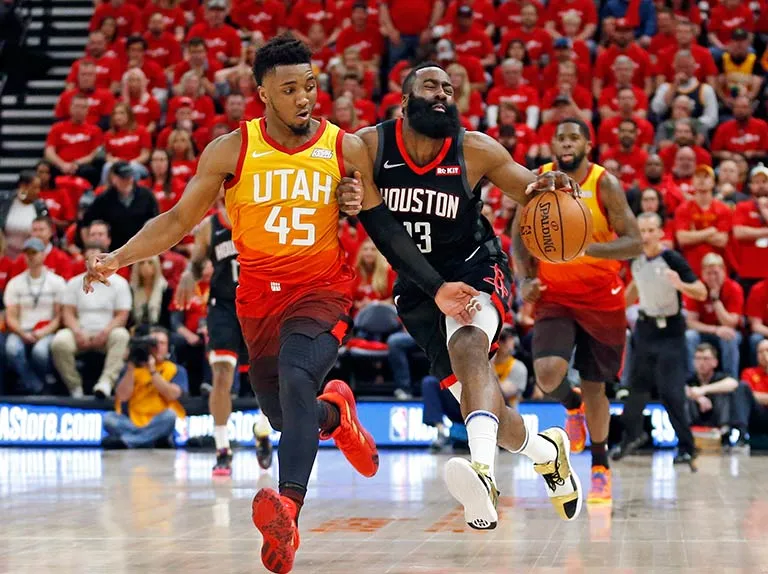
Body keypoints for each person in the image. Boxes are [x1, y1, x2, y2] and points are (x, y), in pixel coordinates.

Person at [83, 35, 482, 574]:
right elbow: (177, 222)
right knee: (281, 414)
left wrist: (390, 237)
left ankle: (287, 511)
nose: (304, 98)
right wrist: (117, 258)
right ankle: (336, 414)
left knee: (297, 378)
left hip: (320, 290)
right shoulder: (231, 149)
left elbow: (381, 222)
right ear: (262, 93)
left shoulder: (345, 147)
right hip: (256, 298)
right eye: (289, 89)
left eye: (311, 86)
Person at [339, 62, 586, 530]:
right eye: (430, 85)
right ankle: (546, 451)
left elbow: (527, 184)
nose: (442, 94)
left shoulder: (476, 149)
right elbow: (383, 228)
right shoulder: (370, 146)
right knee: (483, 401)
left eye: (449, 89)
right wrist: (343, 194)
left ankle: (483, 474)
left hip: (476, 266)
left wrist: (547, 186)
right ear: (405, 97)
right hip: (418, 285)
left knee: (469, 345)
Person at [513, 117, 642, 505]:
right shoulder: (539, 179)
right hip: (555, 295)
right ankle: (572, 407)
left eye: (574, 137)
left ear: (588, 145)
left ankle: (600, 466)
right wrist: (524, 281)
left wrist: (584, 247)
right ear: (553, 143)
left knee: (596, 386)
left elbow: (634, 242)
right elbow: (520, 238)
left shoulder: (605, 183)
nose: (566, 143)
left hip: (603, 299)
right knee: (547, 374)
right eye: (560, 137)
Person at [174, 193, 274, 475]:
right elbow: (196, 264)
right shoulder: (210, 226)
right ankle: (222, 449)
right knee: (221, 375)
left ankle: (263, 430)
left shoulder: (263, 218)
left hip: (258, 303)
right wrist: (187, 275)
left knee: (267, 377)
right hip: (223, 307)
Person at [611, 213, 704, 465]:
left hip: (670, 332)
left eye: (652, 230)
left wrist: (680, 284)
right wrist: (613, 310)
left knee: (670, 392)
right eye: (642, 230)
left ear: (661, 232)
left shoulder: (672, 259)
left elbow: (701, 291)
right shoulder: (636, 260)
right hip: (645, 329)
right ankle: (632, 436)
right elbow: (635, 288)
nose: (647, 235)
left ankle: (687, 446)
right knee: (634, 389)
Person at [51, 243, 131, 399]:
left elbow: (122, 315)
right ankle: (75, 388)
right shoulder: (74, 283)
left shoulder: (120, 283)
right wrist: (77, 331)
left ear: (106, 261)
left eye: (98, 260)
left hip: (107, 331)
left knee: (122, 335)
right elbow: (67, 312)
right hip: (81, 331)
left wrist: (105, 332)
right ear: (85, 262)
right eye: (91, 260)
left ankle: (106, 383)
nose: (95, 265)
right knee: (59, 342)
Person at [102, 326, 188, 449]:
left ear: (168, 347)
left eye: (162, 343)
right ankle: (152, 439)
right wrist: (131, 365)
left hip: (159, 420)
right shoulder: (131, 369)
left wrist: (152, 371)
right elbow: (122, 396)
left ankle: (127, 442)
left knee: (170, 416)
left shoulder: (175, 369)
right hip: (132, 422)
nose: (157, 347)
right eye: (153, 343)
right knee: (108, 419)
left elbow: (172, 394)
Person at [3, 238, 66, 394]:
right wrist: (23, 333)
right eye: (27, 253)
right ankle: (36, 386)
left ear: (43, 255)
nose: (30, 256)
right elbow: (11, 316)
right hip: (21, 330)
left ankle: (41, 383)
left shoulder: (56, 282)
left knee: (40, 352)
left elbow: (59, 316)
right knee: (12, 348)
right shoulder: (15, 283)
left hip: (47, 330)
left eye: (34, 252)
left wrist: (42, 333)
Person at [684, 253, 744, 379]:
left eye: (715, 273)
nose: (712, 277)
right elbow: (691, 322)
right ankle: (692, 379)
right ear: (702, 273)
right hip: (706, 331)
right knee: (689, 336)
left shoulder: (734, 288)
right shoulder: (696, 289)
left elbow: (730, 323)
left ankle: (730, 380)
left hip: (728, 331)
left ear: (724, 271)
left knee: (730, 338)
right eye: (708, 273)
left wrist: (715, 299)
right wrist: (716, 330)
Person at [82, 161, 159, 251]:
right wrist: (90, 248)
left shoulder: (146, 195)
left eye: (130, 176)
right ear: (113, 178)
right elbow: (85, 222)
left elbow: (157, 220)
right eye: (123, 177)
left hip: (142, 249)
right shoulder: (104, 199)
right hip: (114, 252)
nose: (128, 180)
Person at [685, 343, 739, 445]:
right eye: (698, 359)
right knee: (685, 398)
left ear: (715, 362)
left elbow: (734, 383)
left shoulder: (720, 377)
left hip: (717, 417)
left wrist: (703, 390)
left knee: (724, 394)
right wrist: (698, 397)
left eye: (706, 359)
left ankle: (724, 433)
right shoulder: (690, 379)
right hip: (697, 417)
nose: (701, 363)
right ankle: (688, 435)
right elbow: (679, 388)